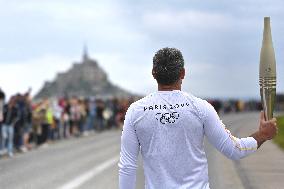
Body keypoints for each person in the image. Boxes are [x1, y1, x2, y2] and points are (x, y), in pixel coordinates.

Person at [118, 47, 278, 189]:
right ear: (183, 73)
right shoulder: (200, 107)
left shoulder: (136, 111)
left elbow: (127, 167)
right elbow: (235, 150)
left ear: (153, 73)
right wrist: (262, 135)